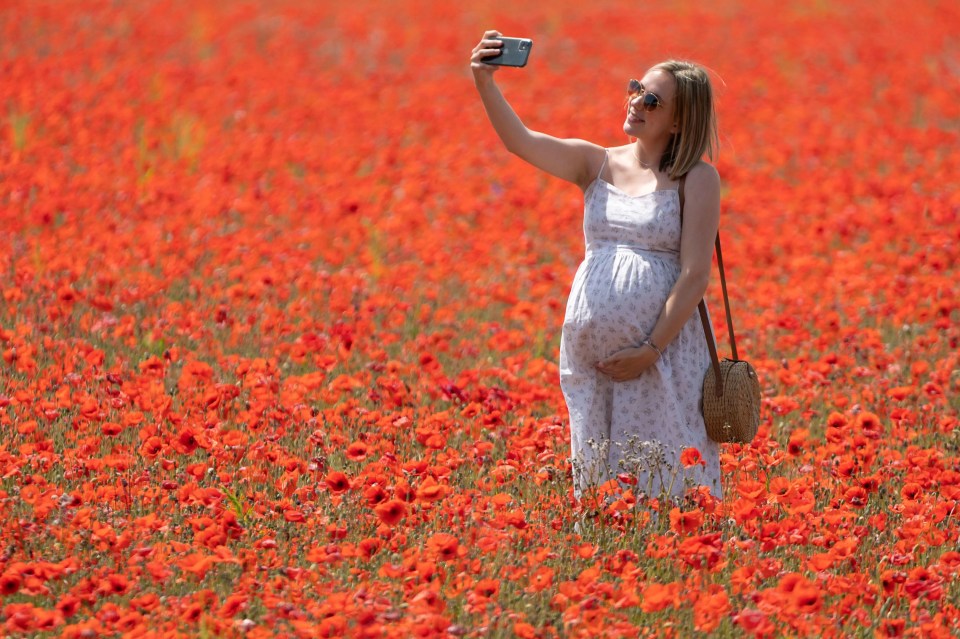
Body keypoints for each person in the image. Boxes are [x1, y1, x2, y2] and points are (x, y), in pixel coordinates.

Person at [470, 30, 724, 505]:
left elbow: (694, 275)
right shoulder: (596, 163)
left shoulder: (697, 178)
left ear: (677, 121)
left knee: (665, 476)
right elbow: (520, 142)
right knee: (601, 478)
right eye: (635, 88)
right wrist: (485, 82)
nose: (636, 103)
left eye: (651, 99)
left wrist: (650, 348)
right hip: (592, 362)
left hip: (662, 356)